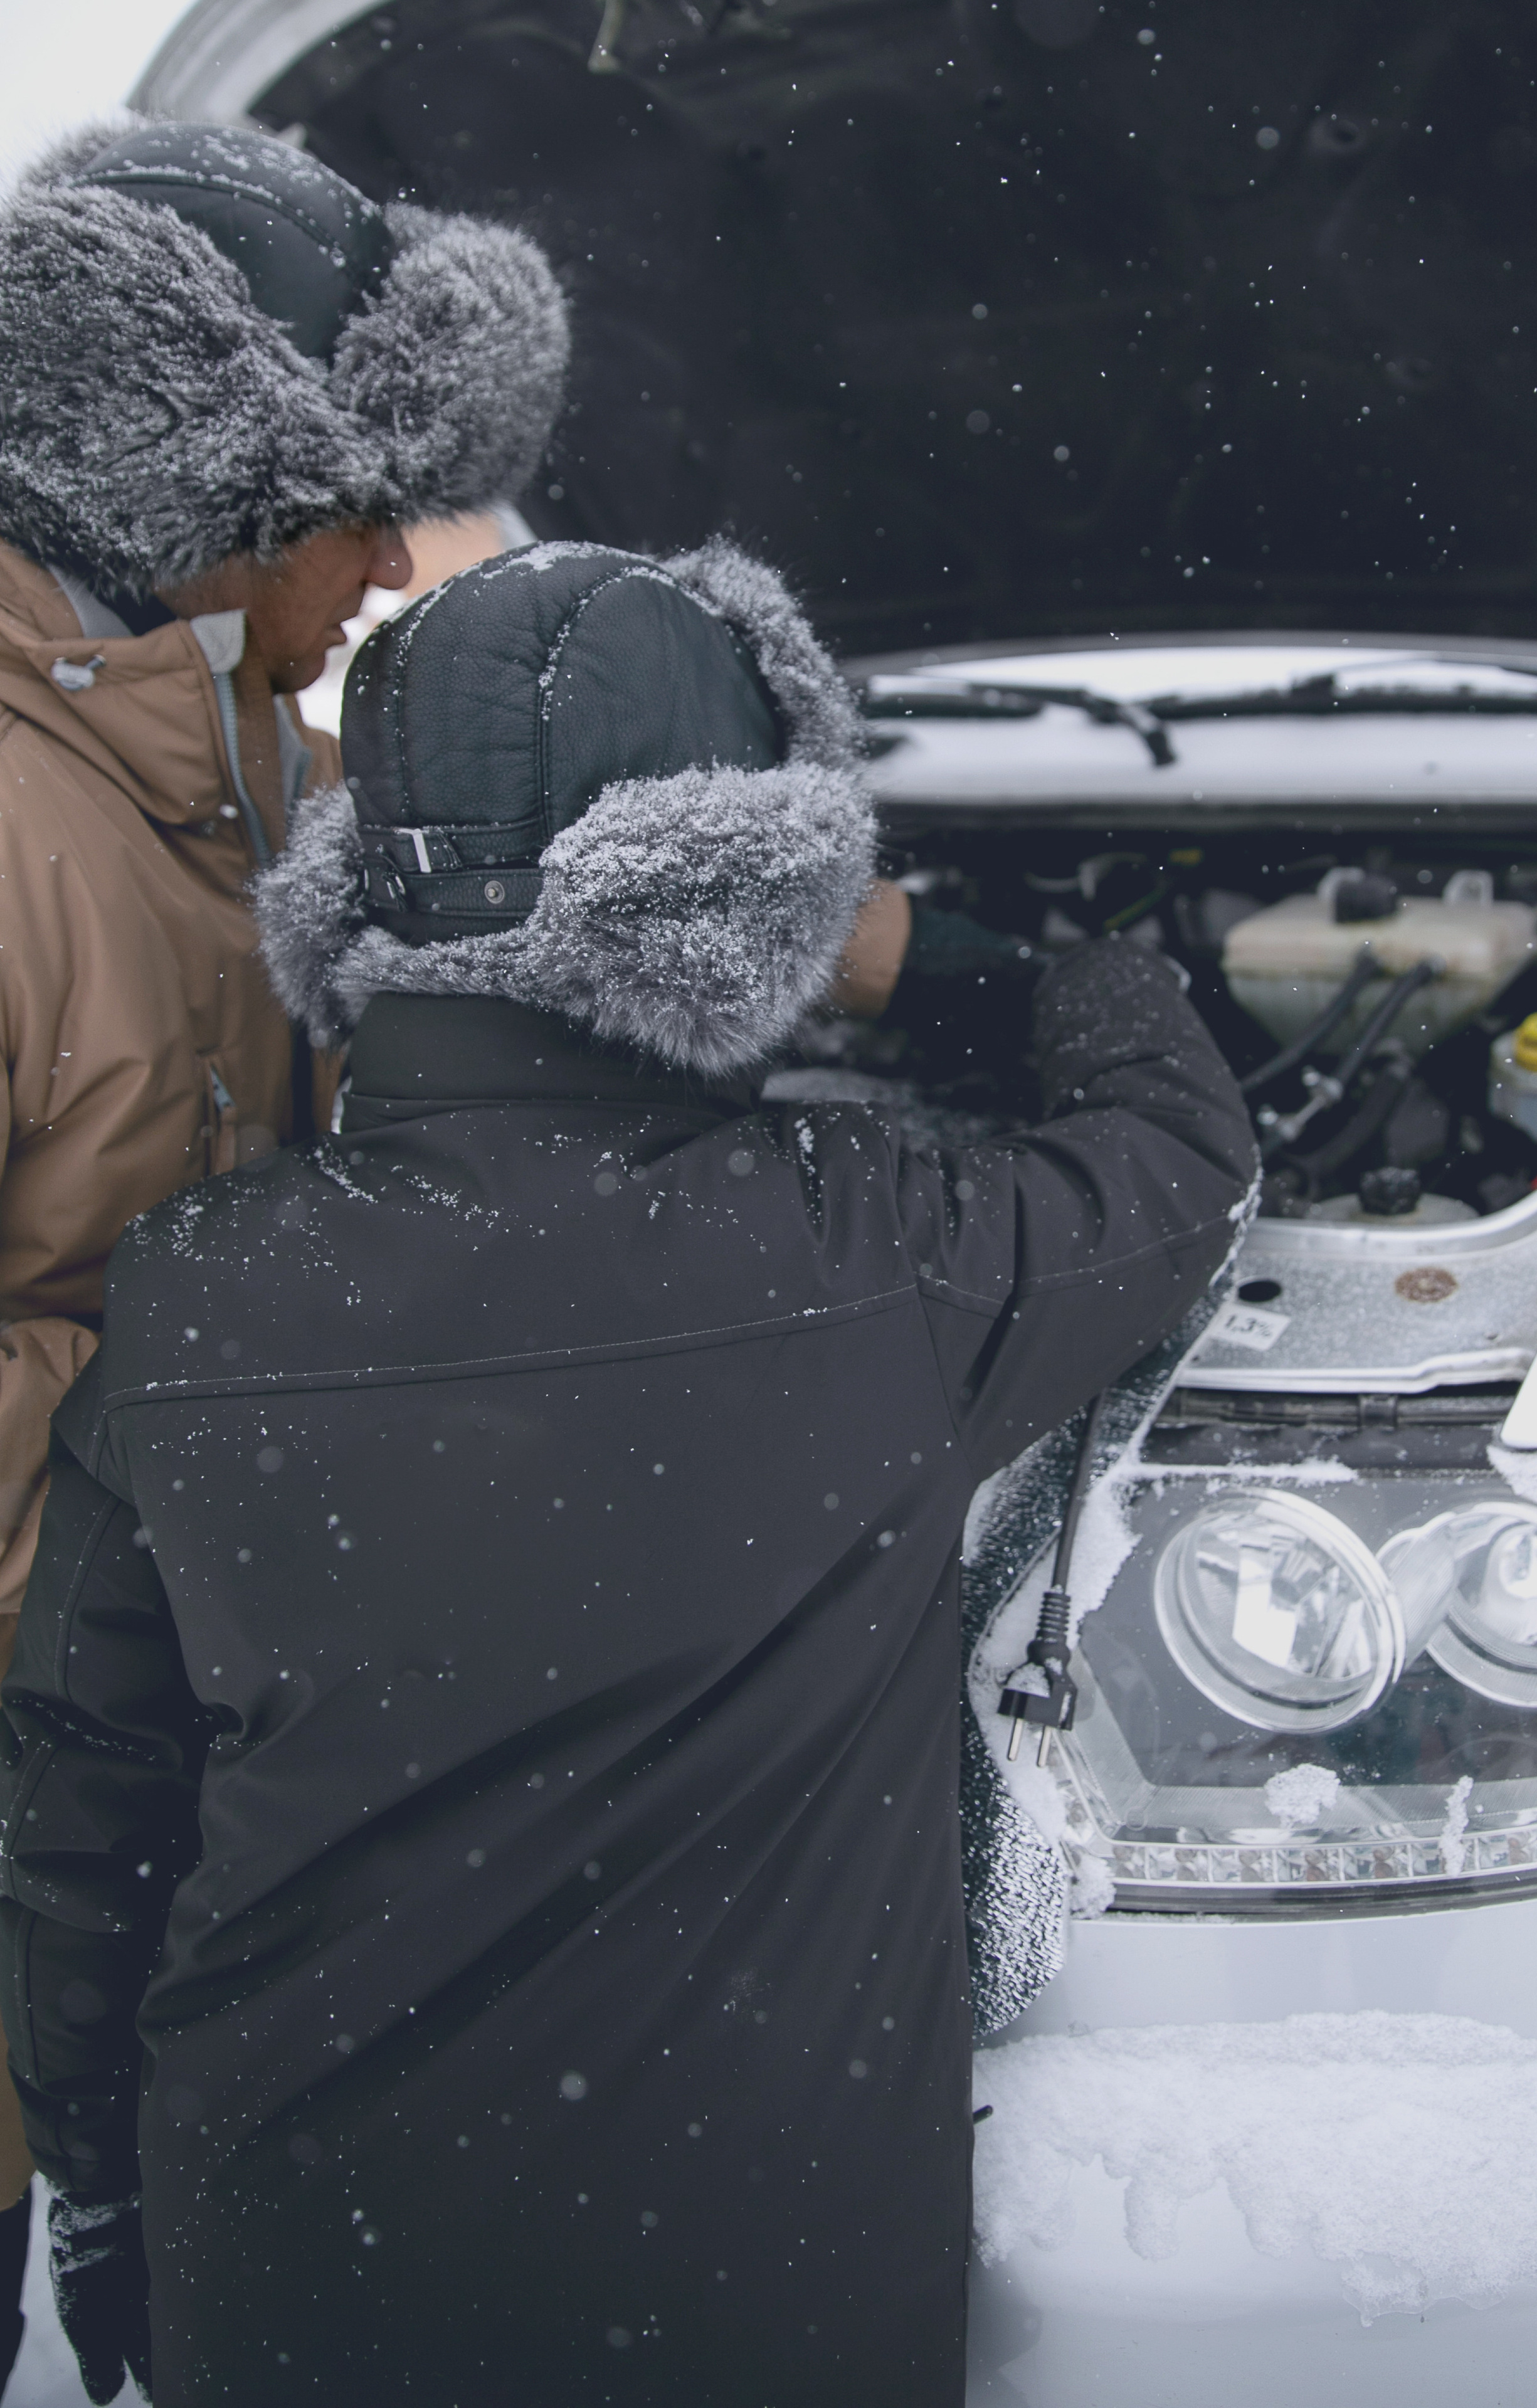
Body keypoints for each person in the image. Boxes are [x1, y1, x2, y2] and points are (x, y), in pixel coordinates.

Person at [0, 537, 1257, 2406]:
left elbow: (84, 1816)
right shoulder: (886, 1254)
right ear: (751, 890)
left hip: (297, 2283)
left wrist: (103, 2194)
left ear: (360, 890)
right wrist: (967, 971)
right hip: (760, 2306)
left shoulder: (196, 1296)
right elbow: (1185, 1159)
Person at [0, 115, 569, 2390]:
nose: (403, 561)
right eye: (366, 502)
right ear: (189, 490)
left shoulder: (259, 771)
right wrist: (234, 1432)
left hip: (124, 1843)